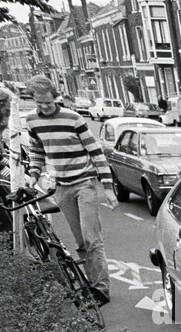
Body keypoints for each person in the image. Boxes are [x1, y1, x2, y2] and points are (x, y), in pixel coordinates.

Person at [23, 76, 113, 306]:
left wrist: (108, 187)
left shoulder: (74, 119)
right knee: (81, 241)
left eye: (48, 103)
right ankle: (91, 284)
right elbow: (36, 149)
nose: (44, 107)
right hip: (62, 186)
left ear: (56, 97)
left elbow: (96, 152)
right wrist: (34, 173)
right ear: (34, 99)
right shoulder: (32, 120)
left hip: (85, 183)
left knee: (92, 239)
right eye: (39, 103)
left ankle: (100, 289)